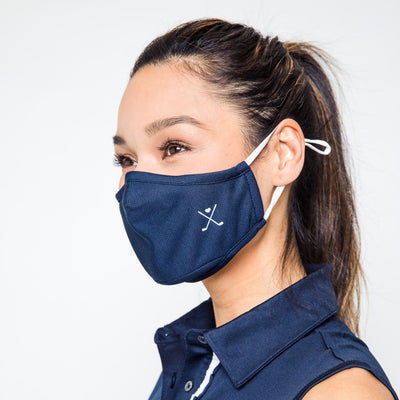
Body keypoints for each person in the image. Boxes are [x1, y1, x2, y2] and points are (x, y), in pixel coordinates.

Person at [112, 17, 398, 400]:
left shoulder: (339, 392)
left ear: (282, 154)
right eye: (127, 159)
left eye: (174, 147)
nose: (138, 185)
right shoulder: (195, 364)